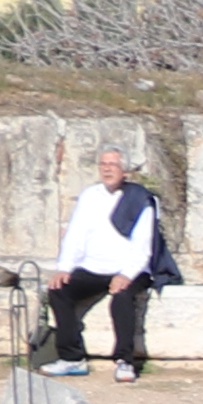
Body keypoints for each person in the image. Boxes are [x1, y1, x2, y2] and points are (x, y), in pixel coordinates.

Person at [38, 152, 168, 380]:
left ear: (125, 171)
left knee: (122, 297)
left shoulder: (141, 199)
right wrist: (65, 267)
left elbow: (143, 243)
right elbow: (76, 235)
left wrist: (126, 274)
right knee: (59, 290)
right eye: (104, 164)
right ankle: (72, 358)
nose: (107, 169)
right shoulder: (90, 196)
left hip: (131, 268)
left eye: (113, 165)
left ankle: (124, 361)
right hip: (94, 266)